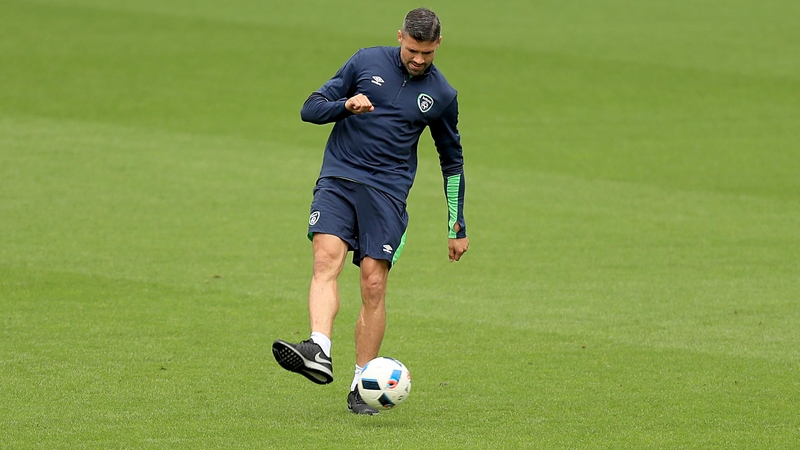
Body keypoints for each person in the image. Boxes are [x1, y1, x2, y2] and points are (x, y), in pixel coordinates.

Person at [272, 7, 469, 415]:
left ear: (438, 46)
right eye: (413, 50)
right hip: (339, 178)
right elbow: (310, 108)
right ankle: (319, 349)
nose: (419, 59)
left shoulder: (442, 95)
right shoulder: (364, 61)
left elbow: (452, 161)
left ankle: (361, 385)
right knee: (326, 257)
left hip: (387, 194)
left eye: (427, 53)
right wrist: (345, 105)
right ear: (400, 37)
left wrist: (457, 224)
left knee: (372, 283)